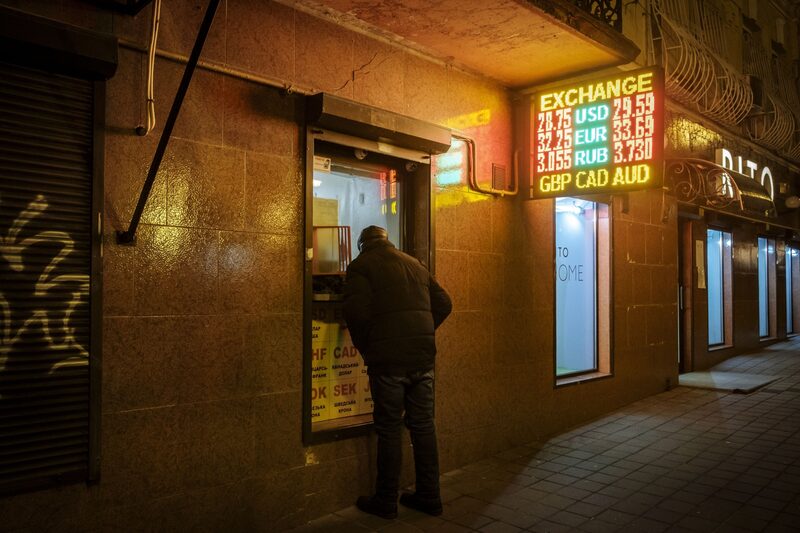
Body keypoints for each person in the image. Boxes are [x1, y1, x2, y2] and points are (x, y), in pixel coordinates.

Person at [344, 225, 452, 520]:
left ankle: (386, 499)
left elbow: (356, 314)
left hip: (389, 363)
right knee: (423, 425)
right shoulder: (414, 263)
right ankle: (430, 496)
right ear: (387, 241)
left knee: (390, 428)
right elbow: (444, 303)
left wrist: (372, 347)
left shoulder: (360, 266)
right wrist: (421, 332)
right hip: (422, 359)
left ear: (362, 245)